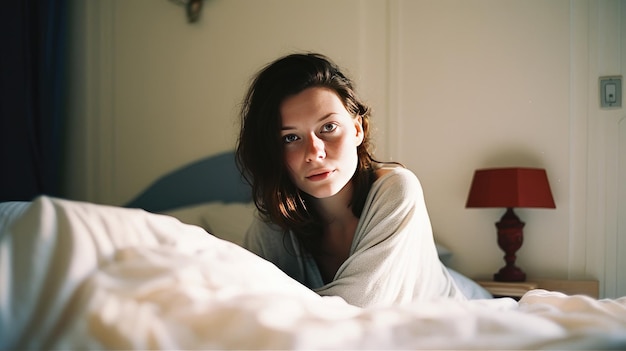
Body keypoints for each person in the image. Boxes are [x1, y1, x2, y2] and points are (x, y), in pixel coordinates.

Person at [236, 52, 465, 307]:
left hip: (462, 304)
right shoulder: (273, 226)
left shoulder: (397, 189)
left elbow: (358, 307)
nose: (314, 153)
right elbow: (246, 303)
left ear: (357, 129)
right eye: (290, 138)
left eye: (328, 127)